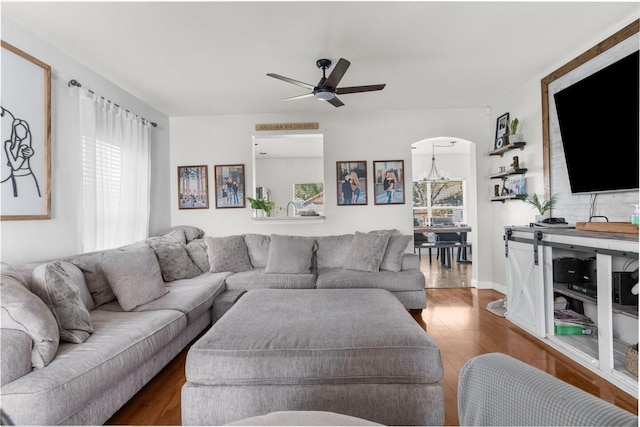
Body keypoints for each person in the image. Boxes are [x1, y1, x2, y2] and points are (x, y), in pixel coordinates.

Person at [1, 108, 41, 198]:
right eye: (17, 129)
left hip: (24, 177)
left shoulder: (24, 147)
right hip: (18, 177)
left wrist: (7, 149)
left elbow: (15, 166)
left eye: (23, 129)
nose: (20, 131)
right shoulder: (17, 144)